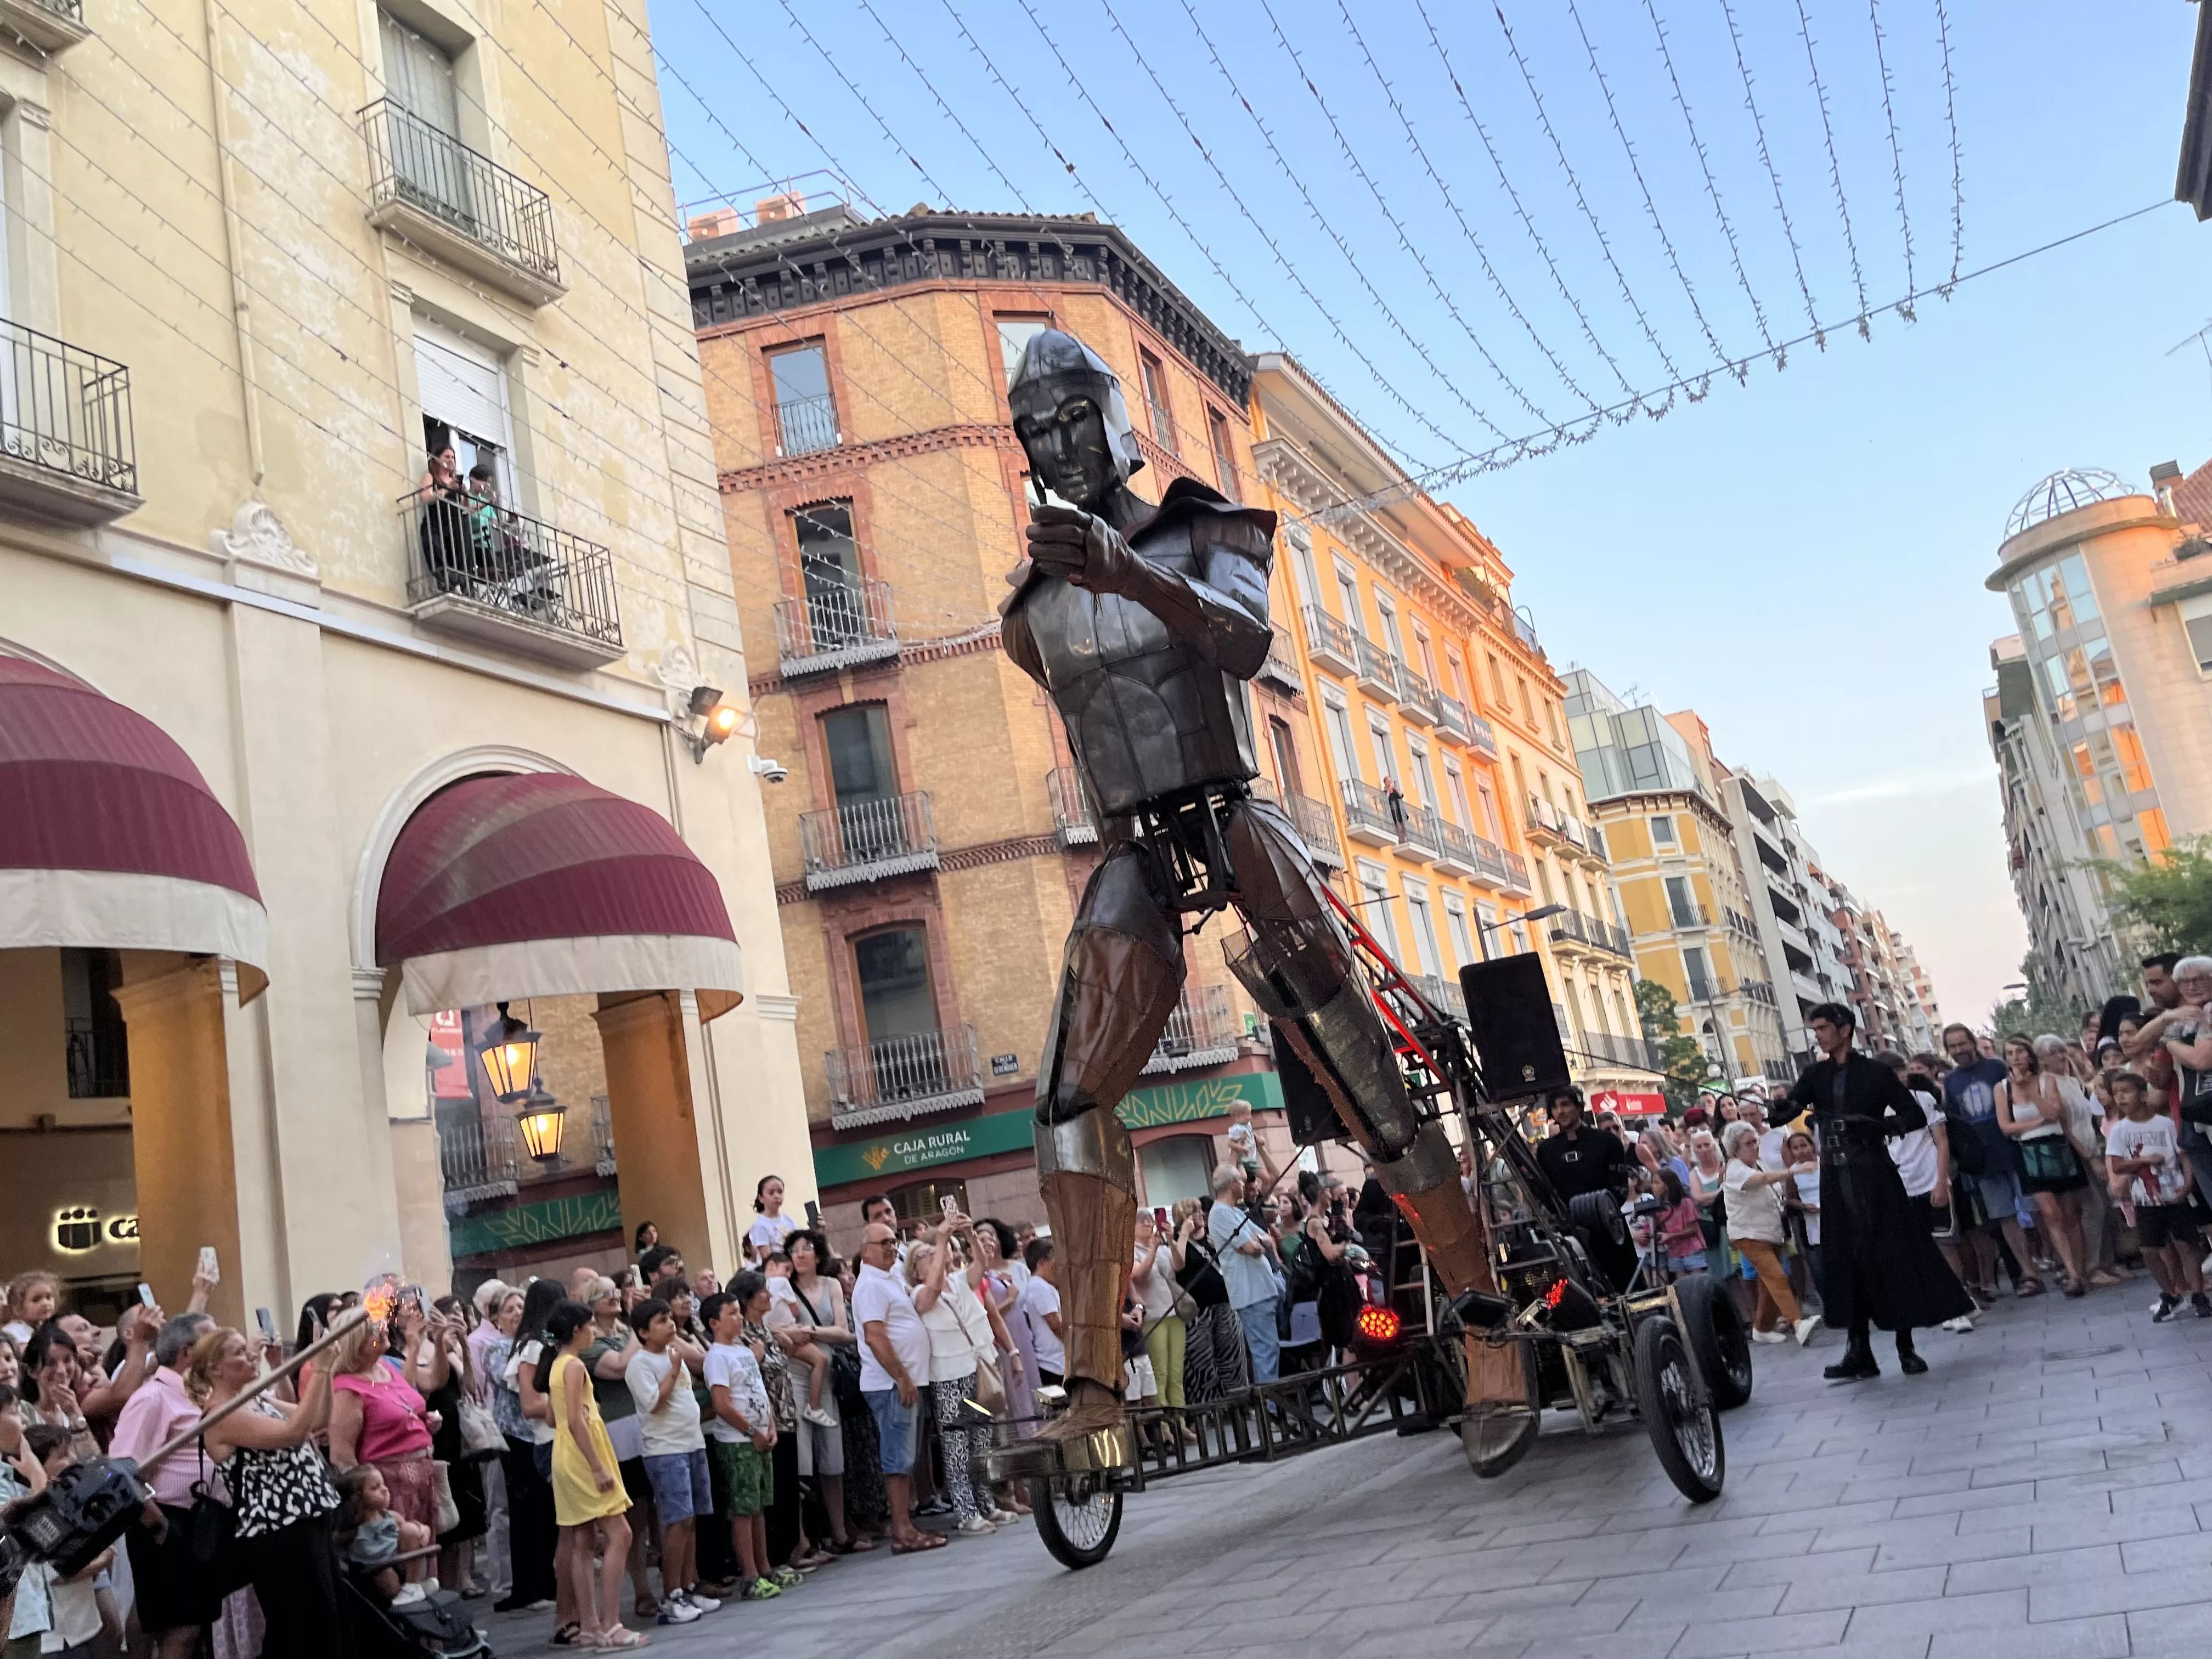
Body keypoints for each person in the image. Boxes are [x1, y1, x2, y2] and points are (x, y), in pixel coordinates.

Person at [1789, 1003, 1974, 1381]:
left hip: (1875, 1175)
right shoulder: (1815, 1074)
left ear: (1845, 1029)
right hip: (1836, 1179)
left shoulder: (1876, 1073)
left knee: (1893, 1257)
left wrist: (1877, 1126)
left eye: (1824, 1028)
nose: (1819, 1036)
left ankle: (1905, 1348)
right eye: (1816, 1029)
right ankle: (1859, 1352)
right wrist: (1781, 1108)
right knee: (1847, 1259)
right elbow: (1788, 1108)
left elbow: (1915, 1116)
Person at [194, 1322, 341, 1649]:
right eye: (239, 1353)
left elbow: (316, 1419)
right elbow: (294, 1433)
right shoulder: (221, 1414)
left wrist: (327, 1370)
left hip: (307, 1517)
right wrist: (317, 1369)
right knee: (301, 1628)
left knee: (328, 1619)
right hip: (279, 1531)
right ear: (214, 1369)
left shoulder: (255, 1398)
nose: (250, 1357)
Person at [107, 1313, 219, 1659]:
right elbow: (121, 1471)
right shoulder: (152, 1398)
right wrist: (159, 1525)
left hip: (200, 1523)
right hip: (167, 1523)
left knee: (196, 1628)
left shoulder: (193, 1394)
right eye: (212, 1342)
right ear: (187, 1352)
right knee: (181, 1633)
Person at [539, 1300, 640, 1650]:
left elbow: (553, 1419)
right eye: (590, 1326)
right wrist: (598, 1466)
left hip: (565, 1456)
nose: (594, 1331)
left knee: (582, 1541)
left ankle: (590, 1628)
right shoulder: (575, 1367)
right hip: (584, 1459)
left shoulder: (556, 1365)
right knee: (621, 1533)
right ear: (577, 1331)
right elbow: (573, 1420)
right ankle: (611, 1624)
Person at [851, 1221, 945, 1554]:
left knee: (905, 1457)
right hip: (891, 1384)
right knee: (897, 1457)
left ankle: (906, 1525)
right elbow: (875, 1336)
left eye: (894, 1241)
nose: (893, 1247)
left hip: (903, 1381)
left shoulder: (889, 1279)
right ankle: (902, 1531)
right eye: (884, 1243)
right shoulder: (870, 1286)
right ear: (866, 1251)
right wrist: (902, 1377)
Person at [907, 1220, 1003, 1536]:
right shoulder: (920, 1291)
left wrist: (968, 1233)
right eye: (924, 1254)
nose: (933, 1254)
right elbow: (933, 1291)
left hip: (976, 1368)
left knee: (981, 1440)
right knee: (957, 1445)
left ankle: (986, 1503)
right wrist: (943, 1237)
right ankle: (966, 1512)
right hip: (948, 1376)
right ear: (915, 1268)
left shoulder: (960, 1281)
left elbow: (982, 1263)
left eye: (935, 1251)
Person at [772, 1229, 866, 1553]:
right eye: (793, 1249)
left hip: (828, 1380)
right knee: (801, 1461)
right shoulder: (782, 1287)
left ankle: (840, 1533)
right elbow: (772, 1327)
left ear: (819, 1254)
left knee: (833, 1458)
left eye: (807, 1248)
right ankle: (801, 1541)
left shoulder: (832, 1285)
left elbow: (843, 1329)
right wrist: (791, 1333)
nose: (800, 1254)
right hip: (795, 1379)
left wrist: (808, 1331)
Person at [623, 1299, 715, 1626]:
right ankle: (672, 1593)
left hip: (692, 1443)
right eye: (661, 1321)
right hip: (665, 1450)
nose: (671, 1324)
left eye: (669, 1319)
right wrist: (675, 1372)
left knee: (691, 1520)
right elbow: (653, 1403)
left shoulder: (671, 1353)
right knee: (677, 1520)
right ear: (644, 1332)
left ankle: (689, 1586)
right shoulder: (640, 1364)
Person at [1942, 1022, 2040, 1300]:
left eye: (1963, 1043)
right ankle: (2028, 1273)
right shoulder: (1951, 1081)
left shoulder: (1997, 1067)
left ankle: (2054, 1262)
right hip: (1983, 1160)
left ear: (1972, 1042)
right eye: (1953, 1047)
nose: (1959, 1050)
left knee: (2037, 1209)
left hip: (2015, 1148)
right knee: (2006, 1217)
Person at [2103, 1070, 2211, 1321]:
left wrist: (2186, 1184)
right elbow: (2118, 1165)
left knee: (2187, 1245)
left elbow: (2183, 1155)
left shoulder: (2164, 1124)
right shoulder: (2120, 1130)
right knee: (2150, 1250)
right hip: (2145, 1199)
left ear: (2143, 1095)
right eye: (2116, 1094)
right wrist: (2142, 1160)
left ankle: (2197, 1294)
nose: (2120, 1098)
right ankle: (2170, 1294)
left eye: (2126, 1092)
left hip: (2173, 1193)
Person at [577, 1278, 656, 1622]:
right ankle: (642, 1590)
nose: (614, 1296)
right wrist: (642, 1325)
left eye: (615, 1290)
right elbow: (621, 1367)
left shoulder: (627, 1330)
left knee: (657, 1510)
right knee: (634, 1517)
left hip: (647, 1421)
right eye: (605, 1292)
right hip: (618, 1430)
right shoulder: (590, 1342)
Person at [1994, 1035, 2094, 1297]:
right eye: (2010, 1053)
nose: (2016, 1057)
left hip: (2058, 1147)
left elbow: (2052, 1113)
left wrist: (2029, 1092)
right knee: (2051, 1213)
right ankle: (2072, 1273)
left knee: (2071, 1213)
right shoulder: (2002, 1089)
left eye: (2020, 1052)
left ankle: (2080, 1272)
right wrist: (2036, 1123)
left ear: (2030, 1055)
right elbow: (2006, 1127)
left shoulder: (2047, 1080)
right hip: (2028, 1151)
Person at [326, 1308, 438, 1544]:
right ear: (356, 1342)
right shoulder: (347, 1388)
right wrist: (371, 1506)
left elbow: (403, 1407)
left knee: (424, 1552)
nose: (383, 1330)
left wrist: (424, 1424)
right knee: (406, 1558)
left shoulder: (385, 1369)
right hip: (388, 1491)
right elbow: (342, 1456)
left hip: (421, 1482)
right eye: (374, 1330)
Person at [702, 1291, 780, 1599]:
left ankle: (765, 1568)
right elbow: (721, 1404)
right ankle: (748, 1574)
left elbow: (758, 1390)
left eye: (739, 1312)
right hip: (739, 1442)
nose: (739, 1318)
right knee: (744, 1509)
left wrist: (770, 1425)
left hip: (761, 1436)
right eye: (731, 1314)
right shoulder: (717, 1357)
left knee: (759, 1505)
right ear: (714, 1323)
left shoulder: (745, 1351)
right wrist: (751, 1431)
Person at [732, 1273, 810, 1582]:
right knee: (775, 1489)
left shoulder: (767, 1331)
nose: (769, 1296)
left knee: (789, 1484)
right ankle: (779, 1553)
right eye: (763, 1292)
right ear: (749, 1299)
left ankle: (794, 1546)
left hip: (785, 1414)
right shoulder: (745, 1337)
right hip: (766, 1419)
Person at [497, 1279, 564, 1616]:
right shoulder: (535, 1346)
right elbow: (530, 1403)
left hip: (543, 1437)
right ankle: (541, 1584)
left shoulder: (540, 1343)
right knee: (541, 1519)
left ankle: (548, 1582)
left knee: (548, 1520)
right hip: (540, 1438)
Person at [1720, 1122, 1818, 1346]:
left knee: (1768, 1284)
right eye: (1750, 1143)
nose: (1756, 1146)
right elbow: (1761, 1181)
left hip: (1771, 1233)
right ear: (1735, 1148)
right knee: (1777, 1276)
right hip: (1748, 1235)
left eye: (1756, 1141)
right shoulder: (1734, 1169)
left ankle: (1762, 1328)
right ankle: (1798, 1324)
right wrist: (1793, 1170)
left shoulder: (1759, 1163)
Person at [1169, 1195, 1248, 1403]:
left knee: (1232, 1356)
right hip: (1197, 1310)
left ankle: (1238, 1402)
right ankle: (1208, 1407)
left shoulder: (1212, 1238)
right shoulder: (1178, 1242)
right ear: (1184, 1218)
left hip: (1225, 1304)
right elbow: (1178, 1265)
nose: (1201, 1215)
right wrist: (1184, 1233)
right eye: (1194, 1212)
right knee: (1200, 1361)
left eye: (1200, 1211)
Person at [1207, 1164, 1279, 1384]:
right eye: (1242, 1180)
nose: (1248, 1184)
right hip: (1251, 1293)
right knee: (1265, 1352)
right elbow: (1253, 1248)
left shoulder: (1236, 1212)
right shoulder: (1220, 1214)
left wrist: (1257, 1244)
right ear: (1233, 1185)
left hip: (1260, 1290)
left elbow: (1267, 1240)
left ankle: (1272, 1405)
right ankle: (1271, 1408)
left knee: (1269, 1350)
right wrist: (1256, 1244)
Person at [337, 1462, 433, 1606]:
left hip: (403, 1564)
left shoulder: (391, 1517)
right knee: (384, 1573)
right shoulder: (353, 1530)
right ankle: (401, 1601)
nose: (385, 1490)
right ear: (357, 1499)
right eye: (375, 1488)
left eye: (383, 1485)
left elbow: (416, 1530)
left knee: (410, 1529)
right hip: (377, 1573)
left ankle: (413, 1586)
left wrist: (424, 1530)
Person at [1132, 1208, 1187, 1411]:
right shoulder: (1132, 1251)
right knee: (1160, 1373)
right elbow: (1139, 1276)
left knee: (1176, 1372)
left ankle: (1180, 1419)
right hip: (1154, 1316)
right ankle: (1165, 1426)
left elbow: (1179, 1266)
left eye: (1150, 1220)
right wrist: (1153, 1249)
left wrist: (1171, 1241)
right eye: (1142, 1222)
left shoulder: (1162, 1245)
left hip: (1174, 1313)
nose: (1148, 1224)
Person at [1534, 1087, 1631, 1201]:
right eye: (1555, 1107)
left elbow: (1621, 1188)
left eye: (1566, 1104)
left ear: (1579, 1107)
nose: (1560, 1111)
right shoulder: (1546, 1151)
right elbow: (1544, 1193)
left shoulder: (1609, 1142)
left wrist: (1600, 1209)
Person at [1015, 1239, 1065, 1387]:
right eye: (1054, 1264)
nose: (1057, 1269)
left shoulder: (1044, 1286)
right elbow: (1055, 1324)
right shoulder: (1039, 1287)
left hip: (1056, 1361)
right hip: (1052, 1363)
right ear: (1042, 1262)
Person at [748, 1176, 800, 1263]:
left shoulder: (789, 1221)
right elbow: (767, 1258)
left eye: (780, 1192)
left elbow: (798, 1245)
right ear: (761, 1198)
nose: (777, 1196)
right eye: (771, 1193)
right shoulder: (760, 1226)